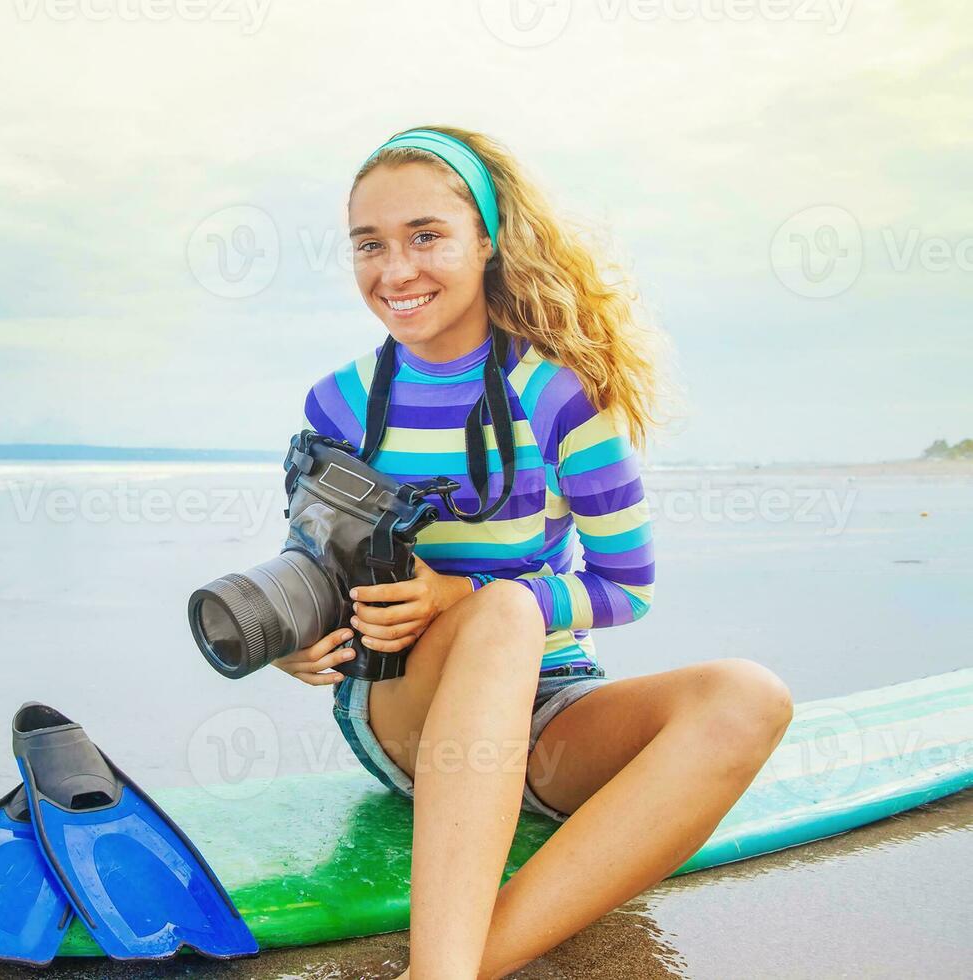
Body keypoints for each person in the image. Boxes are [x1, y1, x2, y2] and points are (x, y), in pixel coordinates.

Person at [276, 126, 794, 980]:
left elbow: (626, 589)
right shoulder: (339, 402)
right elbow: (308, 571)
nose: (395, 270)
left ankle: (452, 973)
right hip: (406, 706)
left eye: (426, 236)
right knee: (507, 611)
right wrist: (298, 642)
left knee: (749, 697)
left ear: (486, 241)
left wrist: (464, 596)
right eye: (370, 245)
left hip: (550, 717)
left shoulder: (559, 399)